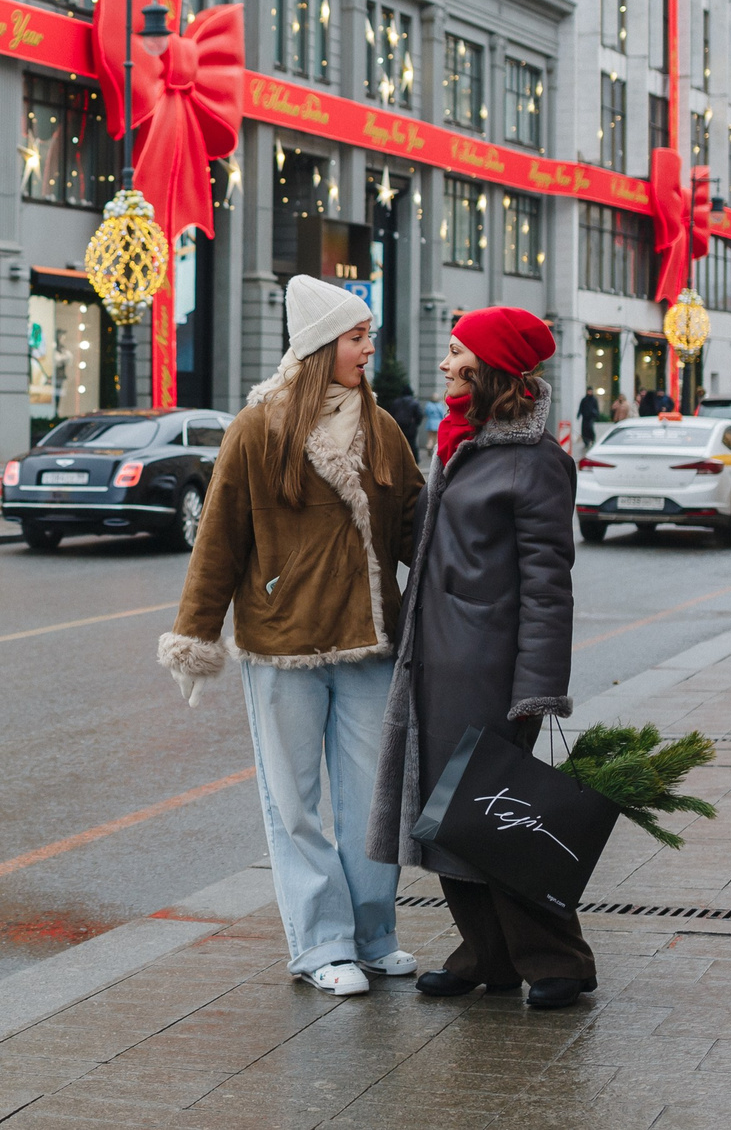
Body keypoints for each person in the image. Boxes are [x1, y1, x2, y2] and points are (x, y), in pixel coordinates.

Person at [159, 276, 426, 997]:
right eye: (356, 337)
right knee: (295, 802)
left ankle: (374, 935)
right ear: (318, 347)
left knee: (374, 799)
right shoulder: (258, 427)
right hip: (282, 642)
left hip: (371, 642)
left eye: (368, 336)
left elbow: (417, 531)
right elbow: (218, 538)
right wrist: (195, 633)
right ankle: (320, 943)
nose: (370, 349)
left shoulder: (383, 428)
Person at [370, 305, 595, 1010]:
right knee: (449, 817)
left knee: (499, 818)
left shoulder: (536, 464)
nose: (444, 364)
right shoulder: (458, 442)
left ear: (489, 366)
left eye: (457, 351)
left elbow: (548, 587)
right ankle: (487, 953)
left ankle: (559, 957)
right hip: (436, 666)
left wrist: (536, 691)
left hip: (493, 677)